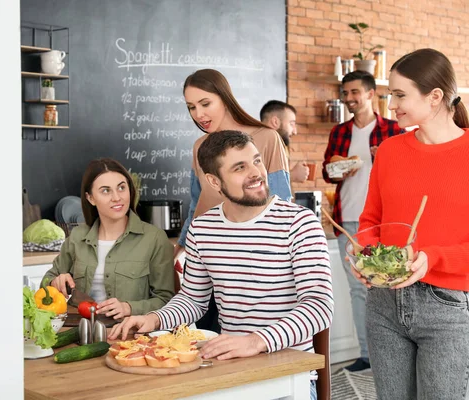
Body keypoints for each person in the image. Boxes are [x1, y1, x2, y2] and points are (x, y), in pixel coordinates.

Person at [110, 130, 333, 399]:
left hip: (289, 376)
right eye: (240, 167)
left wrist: (256, 341)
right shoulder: (203, 228)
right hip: (228, 368)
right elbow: (193, 300)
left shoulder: (299, 223)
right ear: (215, 182)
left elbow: (319, 306)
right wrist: (153, 319)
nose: (256, 173)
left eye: (257, 161)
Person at [352, 48, 469, 398]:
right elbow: (371, 220)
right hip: (384, 303)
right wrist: (362, 250)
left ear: (435, 97)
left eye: (399, 95)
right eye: (390, 95)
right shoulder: (389, 150)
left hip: (448, 307)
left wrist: (433, 258)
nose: (391, 105)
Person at [175, 69, 292, 333]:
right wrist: (181, 247)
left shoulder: (266, 138)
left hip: (251, 262)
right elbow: (197, 202)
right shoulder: (199, 147)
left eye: (205, 104)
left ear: (225, 98)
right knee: (206, 341)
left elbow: (282, 202)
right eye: (191, 107)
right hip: (208, 256)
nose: (199, 115)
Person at [321, 70, 403, 372]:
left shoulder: (395, 130)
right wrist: (341, 169)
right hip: (348, 220)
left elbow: (409, 175)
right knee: (360, 289)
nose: (349, 99)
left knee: (391, 287)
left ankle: (394, 353)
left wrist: (387, 159)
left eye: (354, 92)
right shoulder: (339, 132)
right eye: (345, 94)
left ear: (370, 94)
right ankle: (368, 356)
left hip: (387, 221)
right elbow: (327, 173)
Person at [43, 158, 175, 319]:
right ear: (90, 198)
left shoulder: (154, 239)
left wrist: (129, 308)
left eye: (121, 188)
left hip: (133, 338)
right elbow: (47, 281)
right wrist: (54, 282)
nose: (117, 197)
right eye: (106, 190)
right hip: (80, 332)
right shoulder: (77, 237)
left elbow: (167, 300)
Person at [260, 100, 310, 183]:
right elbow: (254, 184)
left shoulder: (277, 147)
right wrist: (293, 175)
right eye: (291, 124)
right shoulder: (255, 146)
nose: (295, 132)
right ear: (275, 122)